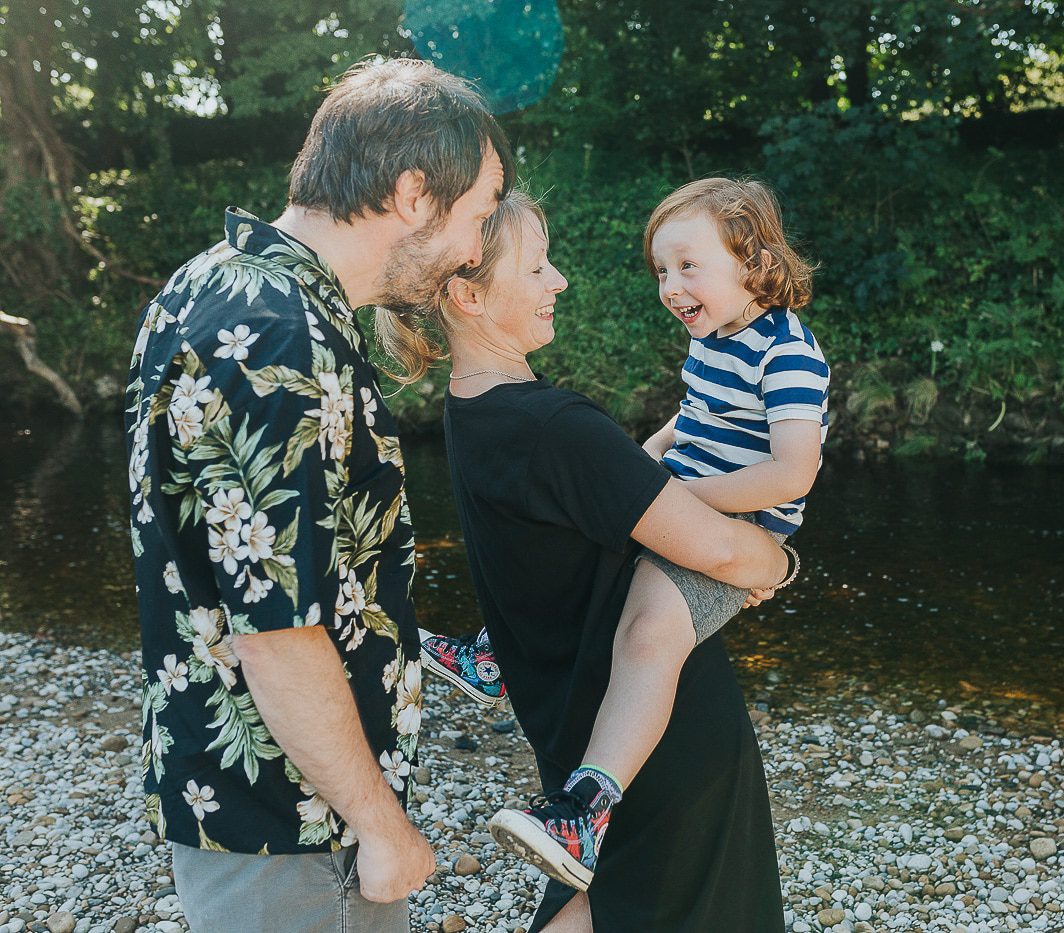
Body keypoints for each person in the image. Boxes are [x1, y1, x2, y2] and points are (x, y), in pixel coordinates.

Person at [123, 57, 514, 932]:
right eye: (479, 214)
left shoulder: (212, 282)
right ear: (416, 193)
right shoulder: (281, 337)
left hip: (239, 804)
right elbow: (279, 633)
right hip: (297, 828)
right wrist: (381, 826)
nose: (476, 248)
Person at [379, 189, 787, 930]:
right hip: (667, 751)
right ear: (469, 294)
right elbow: (725, 548)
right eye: (537, 267)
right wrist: (779, 567)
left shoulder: (471, 413)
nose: (559, 280)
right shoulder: (557, 429)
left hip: (582, 733)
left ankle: (486, 657)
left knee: (602, 906)